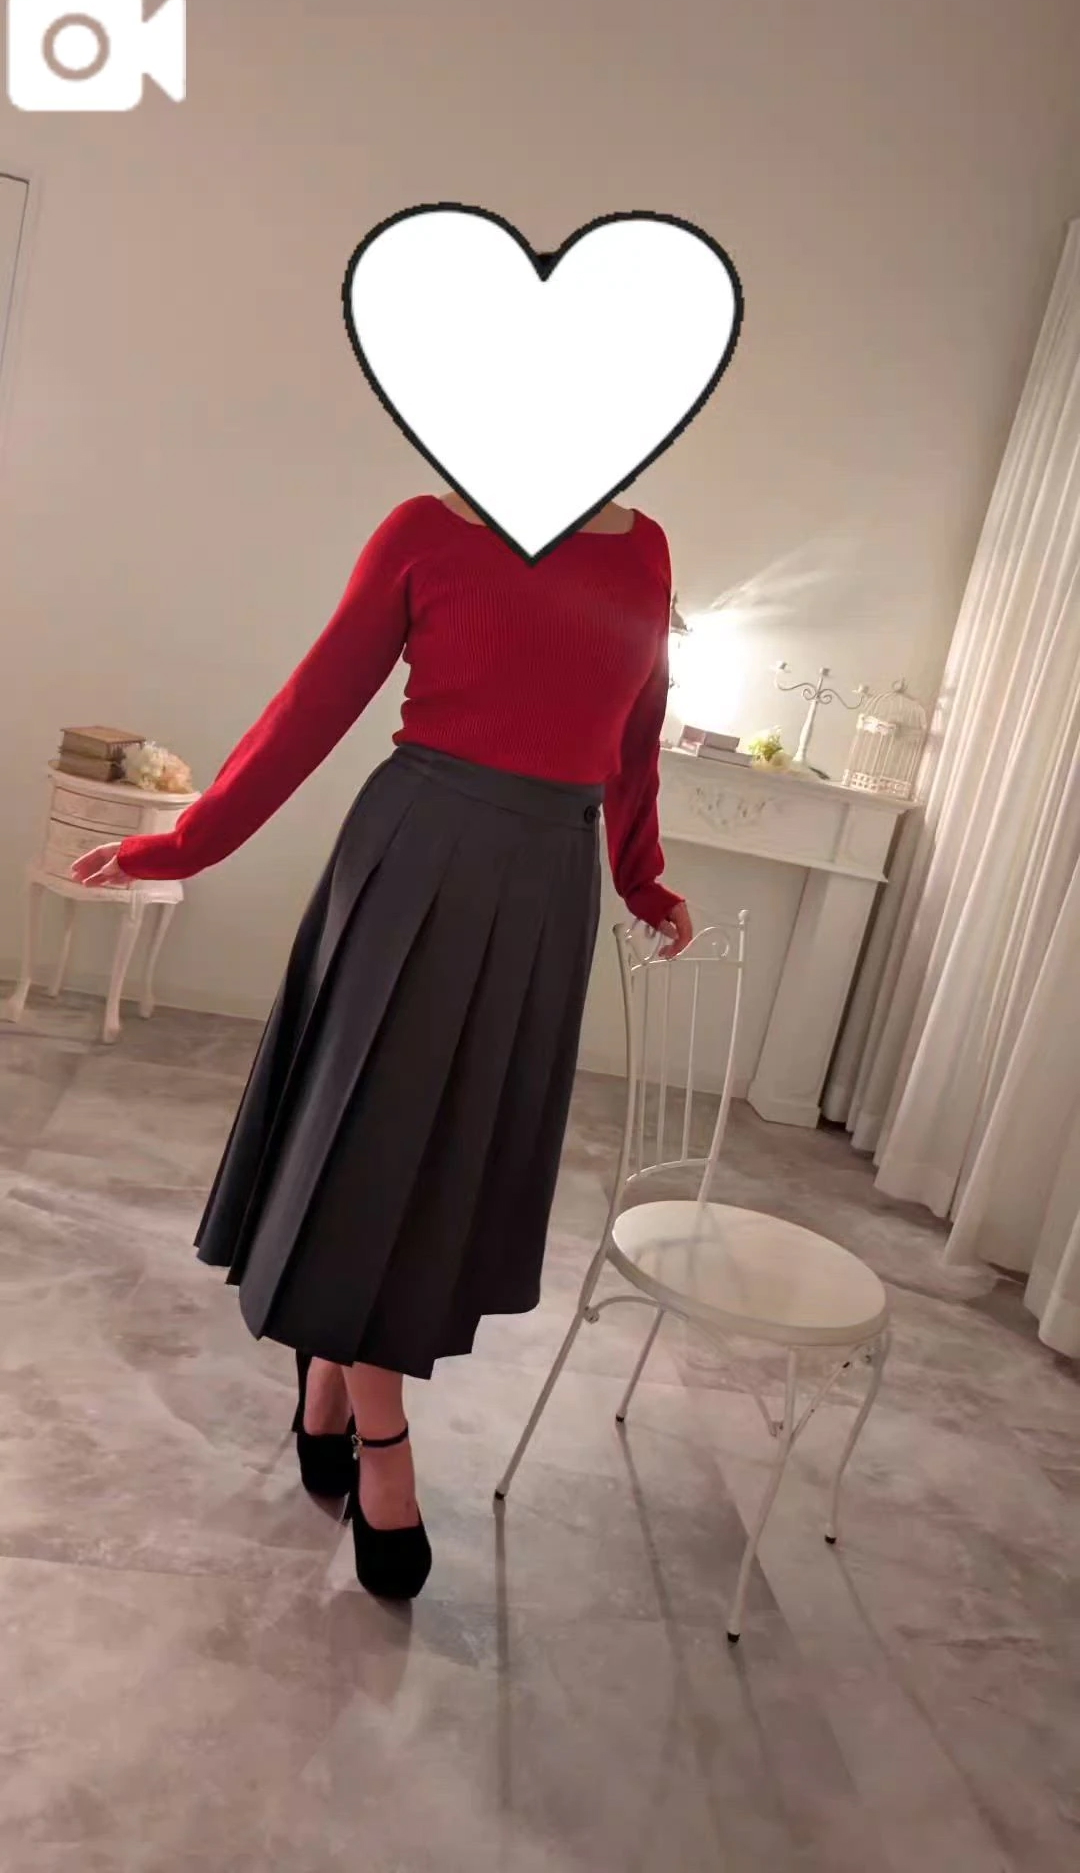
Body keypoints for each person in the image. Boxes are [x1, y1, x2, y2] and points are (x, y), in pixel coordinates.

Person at [72, 489, 693, 1601]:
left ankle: (328, 1381)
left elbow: (635, 733)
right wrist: (182, 844)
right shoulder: (428, 531)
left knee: (448, 1159)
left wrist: (640, 877)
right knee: (376, 1148)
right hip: (419, 860)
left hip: (550, 880)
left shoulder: (644, 549)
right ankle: (386, 1443)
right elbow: (312, 705)